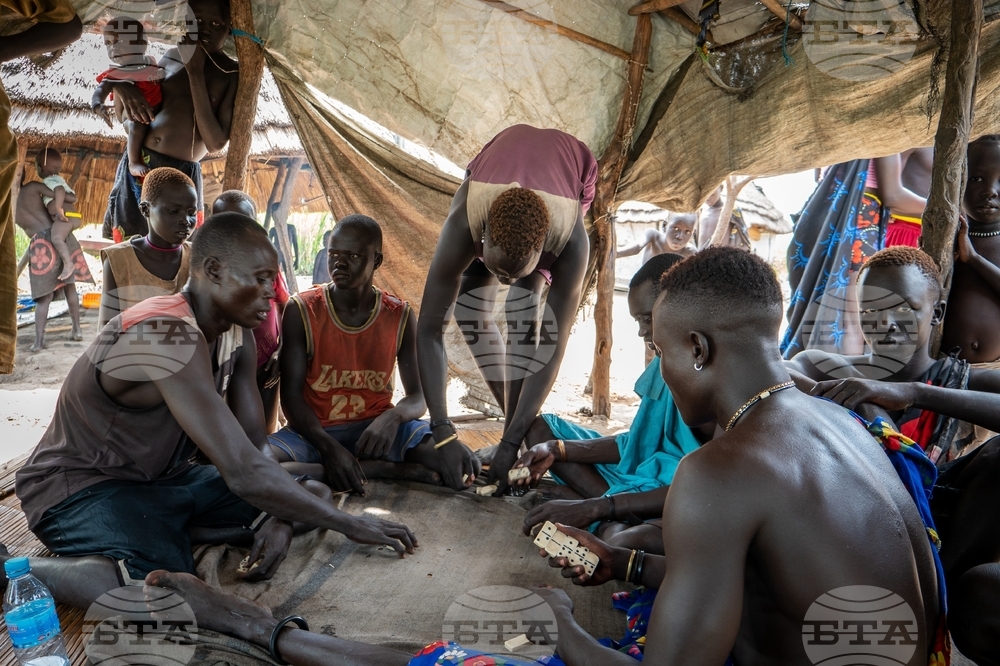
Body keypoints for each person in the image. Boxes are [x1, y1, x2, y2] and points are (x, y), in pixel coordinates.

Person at [529, 248, 942, 665]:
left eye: (661, 352)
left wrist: (559, 620)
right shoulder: (840, 422)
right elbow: (774, 579)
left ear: (697, 349)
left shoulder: (722, 468)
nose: (662, 370)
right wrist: (624, 563)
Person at [12, 214, 415, 610]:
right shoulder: (166, 331)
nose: (272, 293)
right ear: (214, 271)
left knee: (313, 494)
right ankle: (13, 570)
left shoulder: (235, 333)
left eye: (272, 280)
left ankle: (180, 527)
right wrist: (351, 524)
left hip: (161, 482)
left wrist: (277, 518)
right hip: (77, 490)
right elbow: (243, 472)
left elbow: (256, 450)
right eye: (260, 279)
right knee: (163, 581)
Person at [789, 247, 1000, 661]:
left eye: (904, 309)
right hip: (854, 530)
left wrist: (914, 393)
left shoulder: (960, 381)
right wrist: (865, 401)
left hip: (946, 539)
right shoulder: (822, 366)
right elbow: (780, 373)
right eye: (872, 310)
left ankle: (932, 594)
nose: (885, 324)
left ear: (936, 313)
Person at [417, 125, 596, 492]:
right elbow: (429, 330)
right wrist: (443, 432)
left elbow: (551, 348)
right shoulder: (465, 220)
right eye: (498, 270)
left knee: (521, 308)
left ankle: (513, 438)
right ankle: (514, 433)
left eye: (515, 272)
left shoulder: (571, 242)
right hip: (497, 165)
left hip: (569, 177)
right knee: (469, 310)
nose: (504, 281)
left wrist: (510, 442)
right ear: (481, 239)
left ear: (543, 248)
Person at [511, 254, 705, 554]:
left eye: (646, 319)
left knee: (623, 541)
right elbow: (638, 443)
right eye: (638, 321)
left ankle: (601, 513)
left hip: (673, 492)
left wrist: (597, 507)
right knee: (541, 431)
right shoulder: (662, 364)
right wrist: (557, 449)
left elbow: (704, 489)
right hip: (639, 477)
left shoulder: (711, 381)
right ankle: (603, 511)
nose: (641, 331)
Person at [271, 215, 466, 494]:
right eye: (333, 254)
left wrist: (392, 418)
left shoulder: (398, 315)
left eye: (352, 256)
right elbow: (291, 399)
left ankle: (349, 468)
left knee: (452, 462)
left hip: (377, 432)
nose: (339, 263)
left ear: (376, 260)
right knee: (263, 464)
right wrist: (329, 448)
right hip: (315, 432)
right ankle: (378, 470)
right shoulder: (303, 310)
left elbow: (418, 396)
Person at [102, 0, 237, 242]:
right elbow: (130, 116)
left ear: (230, 28)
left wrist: (195, 72)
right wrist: (123, 88)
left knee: (175, 252)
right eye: (196, 21)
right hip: (140, 163)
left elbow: (216, 143)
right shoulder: (171, 57)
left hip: (181, 175)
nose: (205, 29)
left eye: (216, 23)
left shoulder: (229, 72)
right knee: (129, 247)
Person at [0, 0, 81, 373]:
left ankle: (46, 335)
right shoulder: (45, 186)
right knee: (56, 290)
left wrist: (60, 207)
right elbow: (60, 201)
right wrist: (61, 207)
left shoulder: (41, 186)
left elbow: (67, 25)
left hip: (46, 238)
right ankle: (52, 331)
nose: (56, 167)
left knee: (50, 292)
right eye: (53, 164)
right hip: (49, 237)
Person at [212, 189, 288, 433]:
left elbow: (285, 305)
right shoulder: (210, 266)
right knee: (229, 430)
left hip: (267, 363)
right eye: (225, 223)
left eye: (243, 223)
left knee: (265, 430)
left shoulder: (267, 261)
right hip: (225, 364)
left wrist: (282, 348)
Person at [98, 167, 196, 328]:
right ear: (145, 209)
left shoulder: (197, 257)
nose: (186, 220)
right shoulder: (119, 261)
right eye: (174, 211)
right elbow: (107, 330)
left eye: (191, 212)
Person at [941, 135, 1000, 366]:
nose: (990, 191)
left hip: (995, 372)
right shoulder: (946, 240)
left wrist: (973, 259)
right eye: (976, 178)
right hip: (942, 366)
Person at [14, 177, 92, 351]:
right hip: (60, 237)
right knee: (70, 287)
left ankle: (39, 342)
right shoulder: (33, 187)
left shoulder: (8, 202)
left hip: (40, 245)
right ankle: (77, 330)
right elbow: (60, 194)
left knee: (44, 297)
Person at [91, 16, 165, 180]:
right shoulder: (116, 74)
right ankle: (133, 162)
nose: (113, 48)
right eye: (108, 44)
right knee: (136, 123)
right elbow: (100, 90)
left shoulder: (151, 63)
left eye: (119, 42)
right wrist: (97, 105)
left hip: (154, 115)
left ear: (141, 44)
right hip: (130, 114)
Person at [34, 148, 83, 282]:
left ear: (40, 168)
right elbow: (73, 198)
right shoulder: (60, 180)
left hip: (65, 217)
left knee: (56, 238)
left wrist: (58, 208)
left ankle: (68, 264)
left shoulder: (49, 181)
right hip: (74, 216)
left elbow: (59, 190)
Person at [881, 148, 933, 248]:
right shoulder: (914, 141)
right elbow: (890, 194)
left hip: (947, 233)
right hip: (906, 231)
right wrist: (944, 208)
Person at [617, 214, 695, 264]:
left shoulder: (691, 252)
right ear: (665, 226)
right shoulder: (653, 236)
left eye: (687, 231)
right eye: (675, 228)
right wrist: (616, 253)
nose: (680, 236)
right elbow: (637, 247)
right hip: (644, 284)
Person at [695, 186, 750, 251]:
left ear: (721, 188)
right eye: (704, 194)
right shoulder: (701, 211)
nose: (708, 198)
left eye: (712, 194)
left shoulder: (731, 210)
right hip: (701, 255)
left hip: (721, 255)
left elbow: (744, 240)